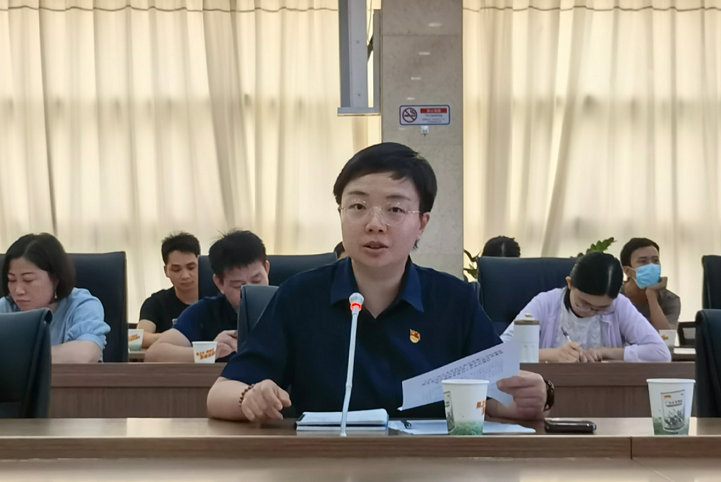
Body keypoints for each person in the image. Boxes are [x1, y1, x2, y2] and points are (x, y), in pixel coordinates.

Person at [207, 142, 551, 422]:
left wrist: (534, 398)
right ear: (340, 214)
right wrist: (249, 397)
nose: (374, 223)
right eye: (358, 206)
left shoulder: (454, 300)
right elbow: (219, 394)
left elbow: (497, 399)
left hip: (430, 470)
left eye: (395, 209)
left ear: (422, 223)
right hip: (326, 467)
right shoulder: (300, 296)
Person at [500, 252, 670, 363]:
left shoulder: (620, 305)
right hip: (547, 390)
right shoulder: (545, 303)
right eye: (584, 304)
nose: (591, 312)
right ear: (570, 284)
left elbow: (661, 353)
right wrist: (552, 355)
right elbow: (501, 352)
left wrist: (605, 353)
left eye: (602, 308)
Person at [145, 230, 270, 363]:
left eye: (256, 280)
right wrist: (210, 351)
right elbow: (154, 354)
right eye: (237, 285)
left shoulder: (284, 305)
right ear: (219, 283)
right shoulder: (206, 311)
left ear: (267, 269)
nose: (250, 291)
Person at [0, 233, 110, 363]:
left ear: (56, 278)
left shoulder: (82, 305)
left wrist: (16, 358)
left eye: (28, 280)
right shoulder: (5, 307)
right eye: (12, 280)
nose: (18, 290)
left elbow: (85, 354)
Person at [137, 232, 201, 348]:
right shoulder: (156, 302)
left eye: (191, 267)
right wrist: (180, 337)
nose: (185, 275)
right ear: (166, 271)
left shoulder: (218, 298)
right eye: (176, 269)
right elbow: (139, 338)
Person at [619, 238, 680, 330]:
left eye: (655, 260)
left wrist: (651, 295)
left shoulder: (669, 299)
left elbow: (665, 336)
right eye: (643, 261)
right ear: (628, 271)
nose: (651, 266)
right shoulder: (614, 297)